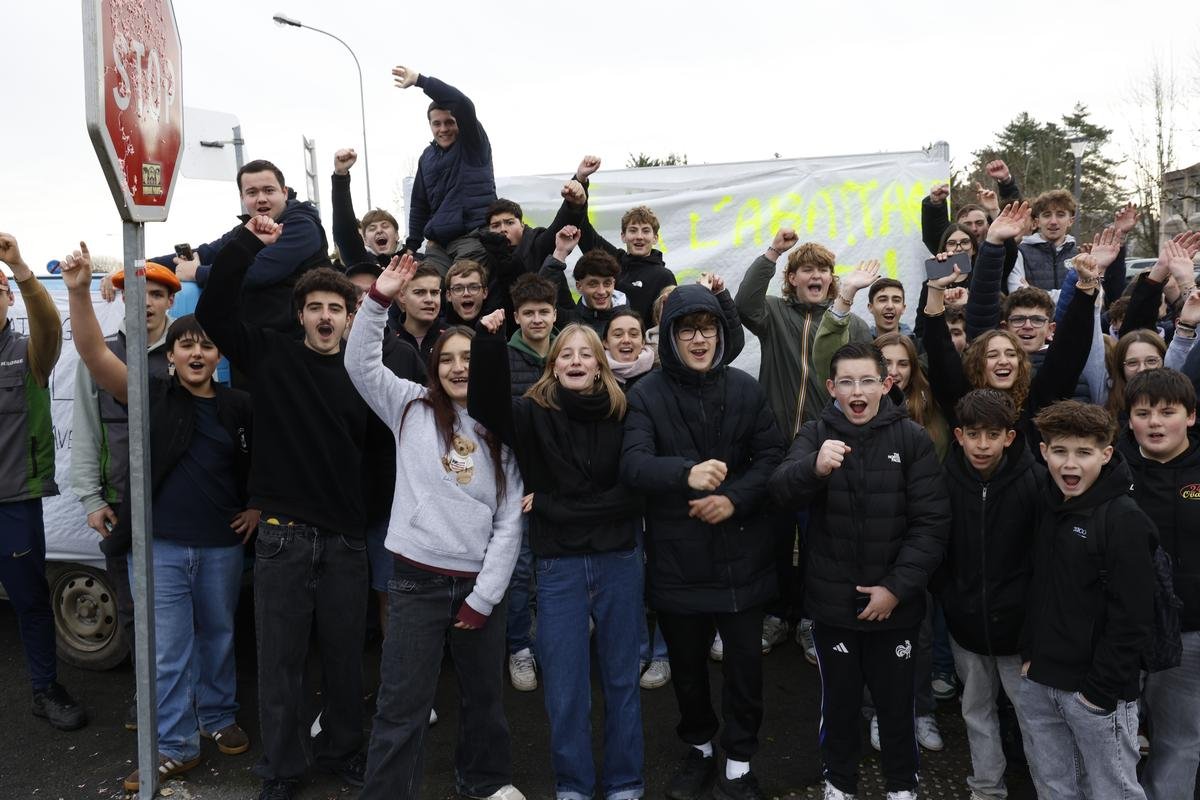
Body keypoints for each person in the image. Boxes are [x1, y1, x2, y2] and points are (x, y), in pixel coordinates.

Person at [63, 244, 256, 790]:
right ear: (169, 356)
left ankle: (218, 717)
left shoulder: (238, 404)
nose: (196, 353)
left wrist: (258, 508)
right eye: (186, 345)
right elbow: (96, 355)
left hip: (220, 545)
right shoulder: (147, 396)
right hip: (161, 547)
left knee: (218, 635)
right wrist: (78, 291)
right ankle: (174, 743)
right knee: (169, 650)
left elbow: (261, 464)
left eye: (207, 345)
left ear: (220, 355)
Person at [195, 216, 372, 799]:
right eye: (315, 306)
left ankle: (344, 750)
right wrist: (247, 242)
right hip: (282, 537)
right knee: (281, 665)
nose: (325, 316)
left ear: (350, 317)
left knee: (346, 660)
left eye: (336, 308)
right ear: (300, 315)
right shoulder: (270, 355)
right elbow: (215, 312)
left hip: (348, 539)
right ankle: (283, 767)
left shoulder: (368, 374)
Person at [346, 255, 523, 800]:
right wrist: (379, 298)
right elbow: (360, 365)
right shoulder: (410, 406)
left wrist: (484, 597)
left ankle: (485, 783)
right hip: (416, 581)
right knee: (403, 706)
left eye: (468, 357)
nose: (458, 367)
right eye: (447, 358)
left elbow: (510, 517)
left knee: (484, 699)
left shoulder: (505, 425)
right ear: (434, 367)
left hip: (476, 586)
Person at [470, 310, 646, 800]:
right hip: (558, 567)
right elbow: (484, 404)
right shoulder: (531, 413)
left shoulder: (627, 411)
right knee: (566, 692)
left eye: (585, 353)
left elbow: (635, 495)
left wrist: (551, 506)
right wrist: (486, 343)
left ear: (600, 365)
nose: (574, 360)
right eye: (564, 354)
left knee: (620, 682)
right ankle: (572, 786)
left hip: (619, 562)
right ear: (552, 366)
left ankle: (626, 784)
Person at [621, 284, 785, 800]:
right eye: (687, 328)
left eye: (707, 326)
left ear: (721, 331)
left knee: (744, 668)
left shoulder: (745, 388)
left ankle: (738, 758)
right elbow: (632, 464)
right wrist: (684, 474)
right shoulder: (645, 394)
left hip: (742, 557)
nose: (698, 338)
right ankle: (699, 748)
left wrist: (734, 498)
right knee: (688, 671)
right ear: (669, 335)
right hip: (678, 558)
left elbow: (773, 459)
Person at [769, 342, 950, 800]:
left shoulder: (911, 439)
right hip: (834, 607)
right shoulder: (815, 433)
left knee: (895, 705)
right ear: (831, 388)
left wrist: (895, 588)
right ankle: (838, 782)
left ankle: (902, 787)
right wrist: (813, 467)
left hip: (897, 608)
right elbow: (780, 491)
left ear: (886, 384)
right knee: (841, 704)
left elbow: (931, 524)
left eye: (867, 380)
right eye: (846, 381)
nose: (857, 390)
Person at [735, 229, 872, 660]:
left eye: (824, 270)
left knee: (822, 543)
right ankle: (776, 616)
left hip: (827, 452)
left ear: (833, 280)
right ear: (791, 278)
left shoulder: (855, 325)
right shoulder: (773, 313)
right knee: (773, 539)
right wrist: (774, 252)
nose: (816, 276)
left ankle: (813, 620)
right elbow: (743, 305)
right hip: (774, 451)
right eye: (806, 269)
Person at [1019, 400, 1155, 800]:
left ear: (1106, 453)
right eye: (1060, 451)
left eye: (1084, 453)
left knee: (1114, 792)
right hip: (1041, 682)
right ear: (1044, 453)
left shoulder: (1124, 519)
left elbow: (1133, 618)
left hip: (1098, 696)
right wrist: (1030, 659)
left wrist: (1099, 692)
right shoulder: (1047, 504)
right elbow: (1037, 586)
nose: (1070, 465)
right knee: (1055, 790)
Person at [71, 259, 178, 726]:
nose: (147, 302)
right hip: (122, 505)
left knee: (185, 610)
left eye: (156, 294)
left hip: (181, 504)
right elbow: (85, 429)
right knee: (134, 610)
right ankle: (146, 695)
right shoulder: (100, 354)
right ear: (120, 300)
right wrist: (91, 499)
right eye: (138, 293)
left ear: (170, 301)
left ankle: (185, 695)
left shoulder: (193, 348)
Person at [934, 389, 1044, 800]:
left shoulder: (1033, 482)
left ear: (1009, 437)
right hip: (966, 628)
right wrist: (950, 594)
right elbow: (936, 544)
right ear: (959, 435)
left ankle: (1050, 788)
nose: (983, 445)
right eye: (974, 434)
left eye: (993, 435)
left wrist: (1033, 624)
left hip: (1019, 634)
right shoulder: (946, 479)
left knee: (1034, 718)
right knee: (976, 712)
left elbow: (1042, 560)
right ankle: (986, 788)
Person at [0, 232, 86, 732]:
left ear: (9, 298)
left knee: (30, 603)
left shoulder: (29, 353)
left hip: (14, 503)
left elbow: (51, 327)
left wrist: (20, 269)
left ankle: (43, 690)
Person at [1117, 369, 1200, 799]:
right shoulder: (1111, 468)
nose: (1154, 422)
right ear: (1128, 418)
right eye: (1143, 412)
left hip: (1189, 633)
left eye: (1167, 412)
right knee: (1115, 737)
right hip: (1120, 630)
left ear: (1190, 417)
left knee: (1179, 739)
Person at [158, 159, 330, 337]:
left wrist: (197, 273)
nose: (261, 199)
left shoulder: (302, 226)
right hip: (254, 340)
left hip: (298, 342)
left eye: (269, 190)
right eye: (252, 192)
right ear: (242, 197)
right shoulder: (246, 229)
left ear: (284, 193)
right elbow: (207, 253)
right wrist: (140, 266)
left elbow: (257, 272)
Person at [501, 273, 560, 692]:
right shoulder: (504, 359)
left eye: (543, 312)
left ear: (555, 314)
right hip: (518, 482)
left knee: (556, 567)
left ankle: (552, 641)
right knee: (520, 569)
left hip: (564, 480)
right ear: (517, 316)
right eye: (528, 313)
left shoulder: (571, 352)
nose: (537, 319)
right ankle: (519, 646)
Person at [394, 66, 495, 274]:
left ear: (460, 122)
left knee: (462, 285)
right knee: (427, 289)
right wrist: (412, 245)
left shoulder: (473, 142)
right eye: (436, 124)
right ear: (430, 125)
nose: (443, 129)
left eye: (449, 122)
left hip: (472, 237)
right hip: (438, 245)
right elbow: (419, 205)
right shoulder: (426, 157)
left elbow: (462, 104)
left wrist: (420, 80)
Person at [583, 204, 678, 324]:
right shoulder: (611, 262)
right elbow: (586, 233)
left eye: (646, 231)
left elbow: (671, 321)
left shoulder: (664, 276)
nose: (639, 237)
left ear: (655, 238)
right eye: (633, 230)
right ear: (623, 236)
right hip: (606, 340)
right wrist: (581, 197)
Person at [540, 227, 629, 335]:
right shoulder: (570, 322)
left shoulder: (632, 321)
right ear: (579, 286)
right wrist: (560, 252)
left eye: (607, 283)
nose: (601, 291)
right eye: (593, 284)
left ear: (614, 284)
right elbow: (541, 296)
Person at [330, 147, 401, 269]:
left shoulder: (415, 261)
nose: (379, 230)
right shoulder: (362, 263)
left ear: (397, 235)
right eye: (372, 228)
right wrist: (341, 176)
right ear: (365, 240)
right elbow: (345, 229)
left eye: (385, 225)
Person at [391, 263, 449, 361]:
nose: (429, 299)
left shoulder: (452, 337)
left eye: (434, 293)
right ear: (402, 296)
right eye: (419, 292)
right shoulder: (388, 341)